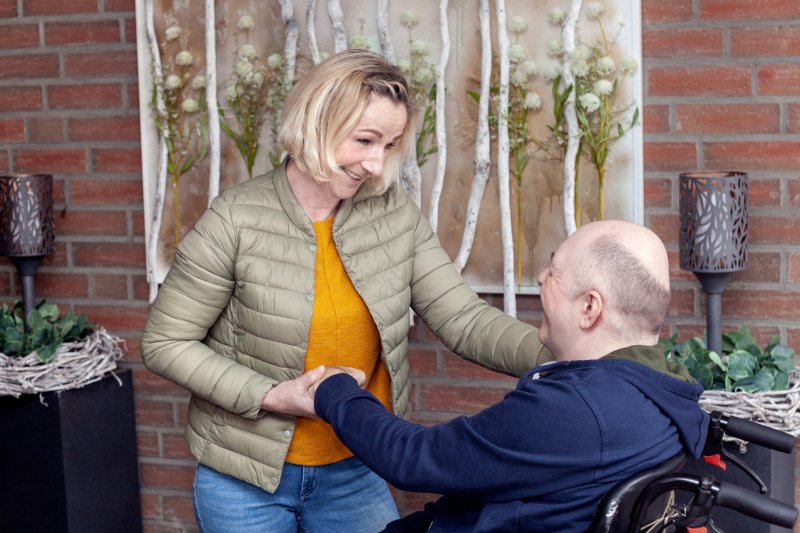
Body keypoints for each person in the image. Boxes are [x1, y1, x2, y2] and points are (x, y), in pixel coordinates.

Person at [141, 49, 550, 533]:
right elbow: (165, 343)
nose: (376, 164)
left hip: (357, 466)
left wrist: (573, 359)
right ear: (318, 122)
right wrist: (272, 395)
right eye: (365, 140)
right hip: (244, 479)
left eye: (390, 145)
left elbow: (464, 318)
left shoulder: (392, 214)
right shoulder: (235, 219)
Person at [309, 220, 710, 533]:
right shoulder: (663, 389)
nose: (539, 278)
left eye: (554, 271)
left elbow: (412, 459)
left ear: (590, 307)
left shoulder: (573, 411)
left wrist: (334, 390)